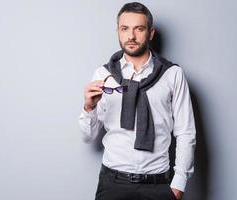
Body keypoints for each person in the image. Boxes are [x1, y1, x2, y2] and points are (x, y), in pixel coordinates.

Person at [78, 2, 196, 200]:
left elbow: (185, 132)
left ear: (150, 33)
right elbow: (88, 137)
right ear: (118, 31)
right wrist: (89, 107)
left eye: (138, 29)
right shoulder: (103, 75)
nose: (131, 36)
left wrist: (178, 185)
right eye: (124, 29)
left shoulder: (172, 74)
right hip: (112, 183)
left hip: (158, 184)